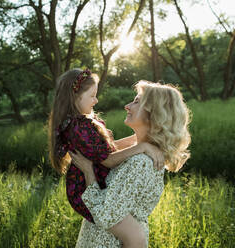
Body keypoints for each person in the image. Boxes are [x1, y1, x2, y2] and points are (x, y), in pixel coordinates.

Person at [70, 80, 191, 247]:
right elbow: (107, 153)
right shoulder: (141, 151)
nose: (127, 106)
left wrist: (88, 171)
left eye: (136, 101)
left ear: (154, 113)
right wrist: (142, 143)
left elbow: (105, 215)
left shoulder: (141, 162)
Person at [48, 69, 164, 239]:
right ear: (75, 98)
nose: (96, 100)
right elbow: (108, 160)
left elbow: (107, 149)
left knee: (121, 227)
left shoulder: (82, 123)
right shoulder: (78, 128)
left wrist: (139, 139)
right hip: (83, 191)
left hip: (94, 180)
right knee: (123, 230)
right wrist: (142, 147)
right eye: (92, 95)